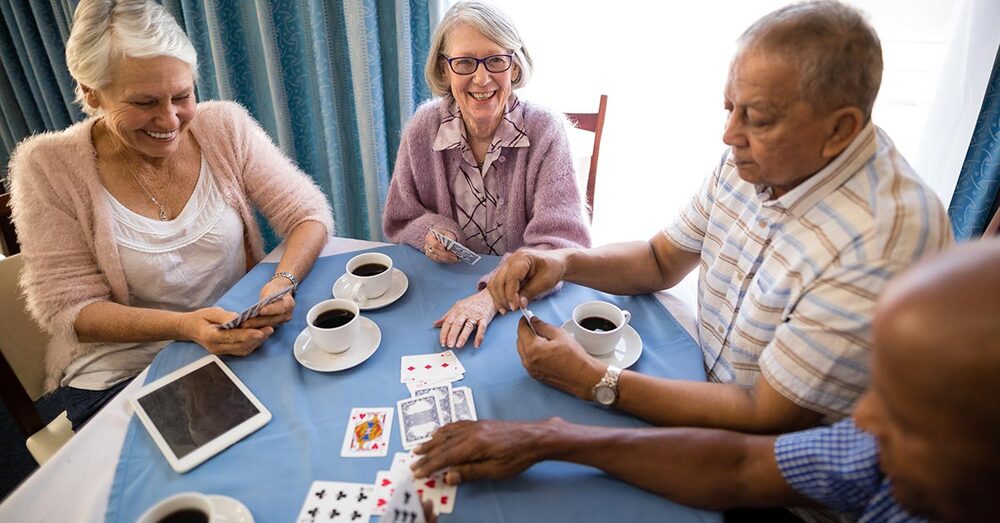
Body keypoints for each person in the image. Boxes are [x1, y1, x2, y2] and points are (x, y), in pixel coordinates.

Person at [484, 0, 951, 433]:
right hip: (699, 392)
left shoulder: (885, 239)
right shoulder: (761, 156)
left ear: (840, 129)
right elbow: (659, 260)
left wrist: (595, 381)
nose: (730, 135)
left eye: (758, 118)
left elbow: (764, 415)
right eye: (730, 108)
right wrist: (566, 262)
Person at [413, 239, 1000, 523]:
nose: (861, 419)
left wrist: (597, 382)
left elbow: (764, 419)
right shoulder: (871, 452)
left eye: (904, 411)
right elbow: (740, 467)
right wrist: (547, 437)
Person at [8, 0, 333, 429]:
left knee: (320, 417)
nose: (170, 119)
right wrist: (187, 327)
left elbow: (309, 214)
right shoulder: (46, 167)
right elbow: (70, 310)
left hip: (235, 341)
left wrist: (282, 281)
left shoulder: (223, 127)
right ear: (90, 92)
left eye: (182, 95)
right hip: (123, 373)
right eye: (143, 102)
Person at [382, 1, 590, 349]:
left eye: (496, 60)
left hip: (524, 302)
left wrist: (492, 296)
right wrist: (431, 232)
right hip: (441, 290)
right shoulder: (422, 129)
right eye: (464, 62)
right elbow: (400, 218)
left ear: (515, 66)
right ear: (445, 70)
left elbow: (563, 246)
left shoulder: (546, 131)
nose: (482, 78)